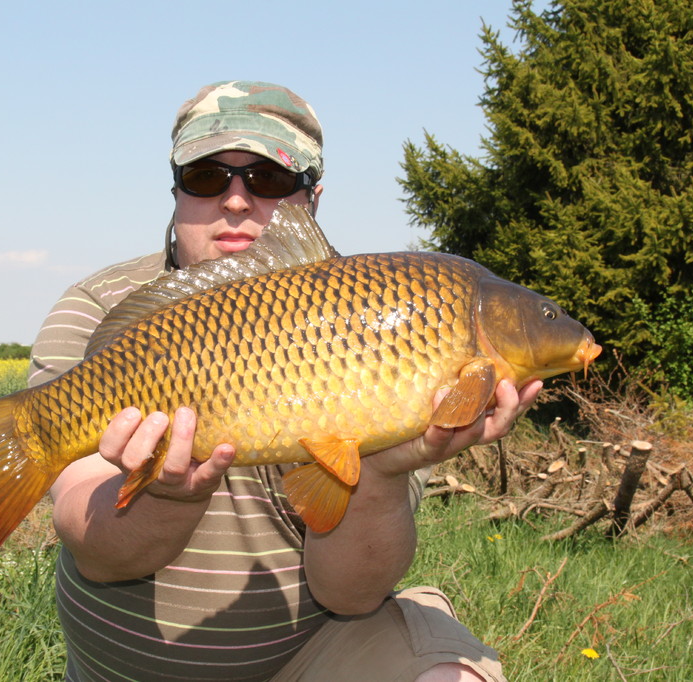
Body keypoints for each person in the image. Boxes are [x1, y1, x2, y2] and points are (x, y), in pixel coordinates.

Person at [28, 81, 541, 682]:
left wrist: (378, 471)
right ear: (175, 190)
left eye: (269, 179)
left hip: (310, 657)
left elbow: (350, 595)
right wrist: (168, 494)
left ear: (311, 199)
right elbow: (95, 551)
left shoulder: (388, 316)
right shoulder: (101, 308)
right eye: (206, 176)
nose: (237, 200)